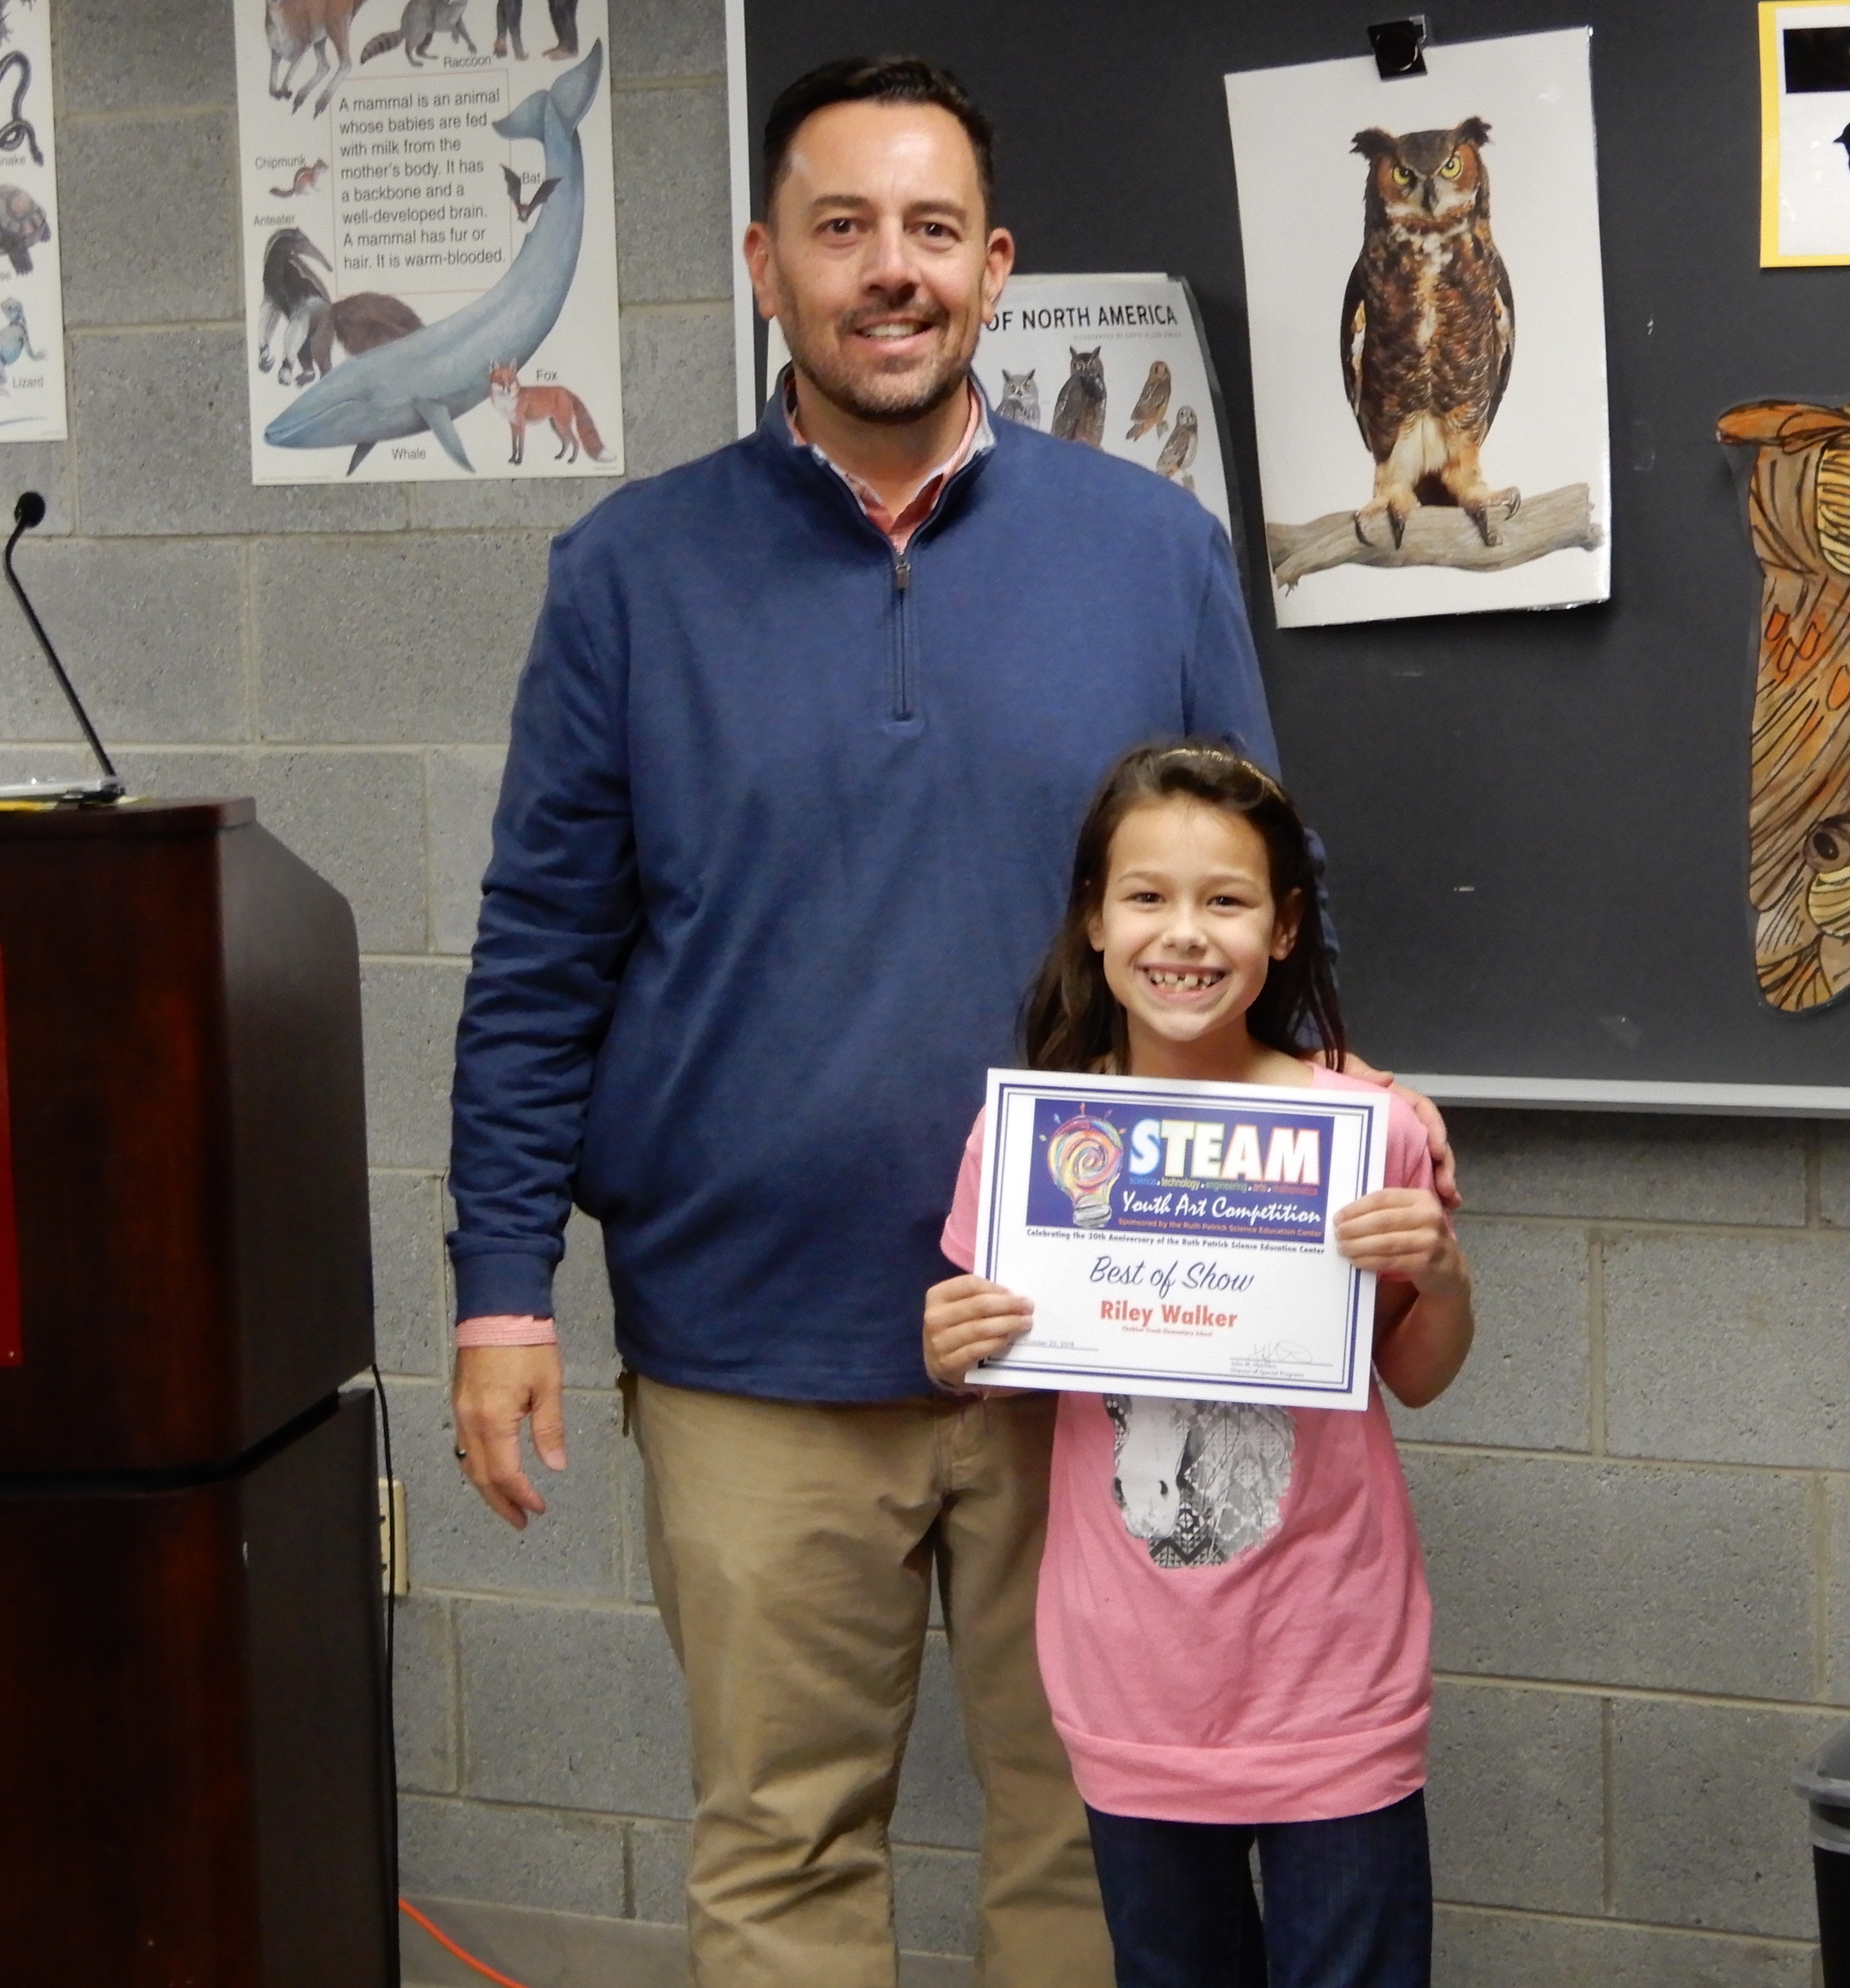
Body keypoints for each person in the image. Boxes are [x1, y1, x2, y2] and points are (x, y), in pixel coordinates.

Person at [443, 51, 1449, 1988]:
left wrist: (1350, 1105)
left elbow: (1255, 889)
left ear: (994, 268)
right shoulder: (629, 575)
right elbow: (540, 954)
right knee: (781, 1844)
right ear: (765, 266)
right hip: (752, 1344)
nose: (887, 269)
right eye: (840, 229)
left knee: (1088, 1845)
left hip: (1081, 1346)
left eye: (929, 229)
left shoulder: (1146, 547)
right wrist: (502, 1291)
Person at [926, 744, 1475, 1988]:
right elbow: (996, 1360)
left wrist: (1445, 1278)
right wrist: (951, 1349)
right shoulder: (1030, 1139)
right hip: (1132, 1681)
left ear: (1283, 929)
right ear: (1094, 920)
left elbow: (1419, 1374)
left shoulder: (1368, 1131)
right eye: (1147, 897)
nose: (1184, 933)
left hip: (1333, 1672)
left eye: (1225, 900)